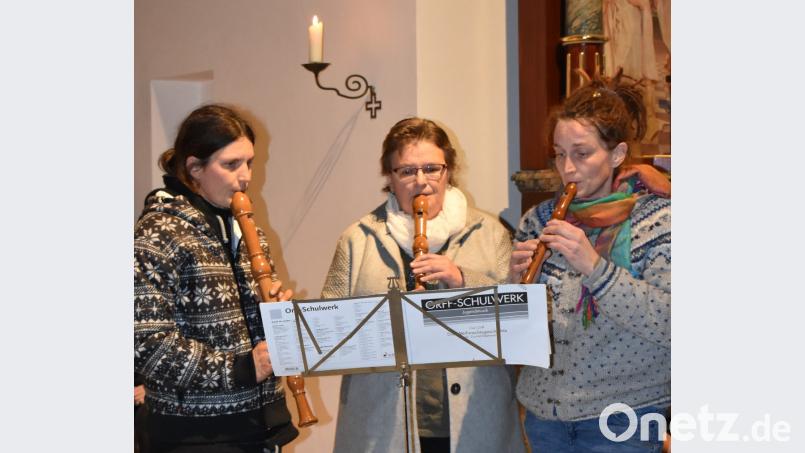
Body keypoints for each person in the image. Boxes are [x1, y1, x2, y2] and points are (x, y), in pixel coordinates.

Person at [322, 118, 526, 453]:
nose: (422, 182)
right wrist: (394, 317)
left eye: (432, 168)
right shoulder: (356, 239)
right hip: (381, 425)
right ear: (389, 177)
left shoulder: (490, 232)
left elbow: (519, 317)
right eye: (406, 171)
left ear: (449, 171)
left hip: (475, 421)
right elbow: (330, 334)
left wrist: (462, 280)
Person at [510, 74, 670, 452]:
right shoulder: (537, 219)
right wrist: (515, 288)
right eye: (559, 153)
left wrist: (595, 268)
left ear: (616, 155)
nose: (567, 168)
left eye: (581, 154)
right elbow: (518, 337)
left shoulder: (658, 221)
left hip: (624, 418)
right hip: (544, 417)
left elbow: (671, 322)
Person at [134, 104, 299, 452]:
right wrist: (239, 369)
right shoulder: (158, 233)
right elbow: (146, 343)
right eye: (230, 164)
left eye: (249, 162)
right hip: (196, 435)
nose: (245, 176)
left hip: (261, 425)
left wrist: (276, 317)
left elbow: (243, 327)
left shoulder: (246, 227)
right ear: (194, 168)